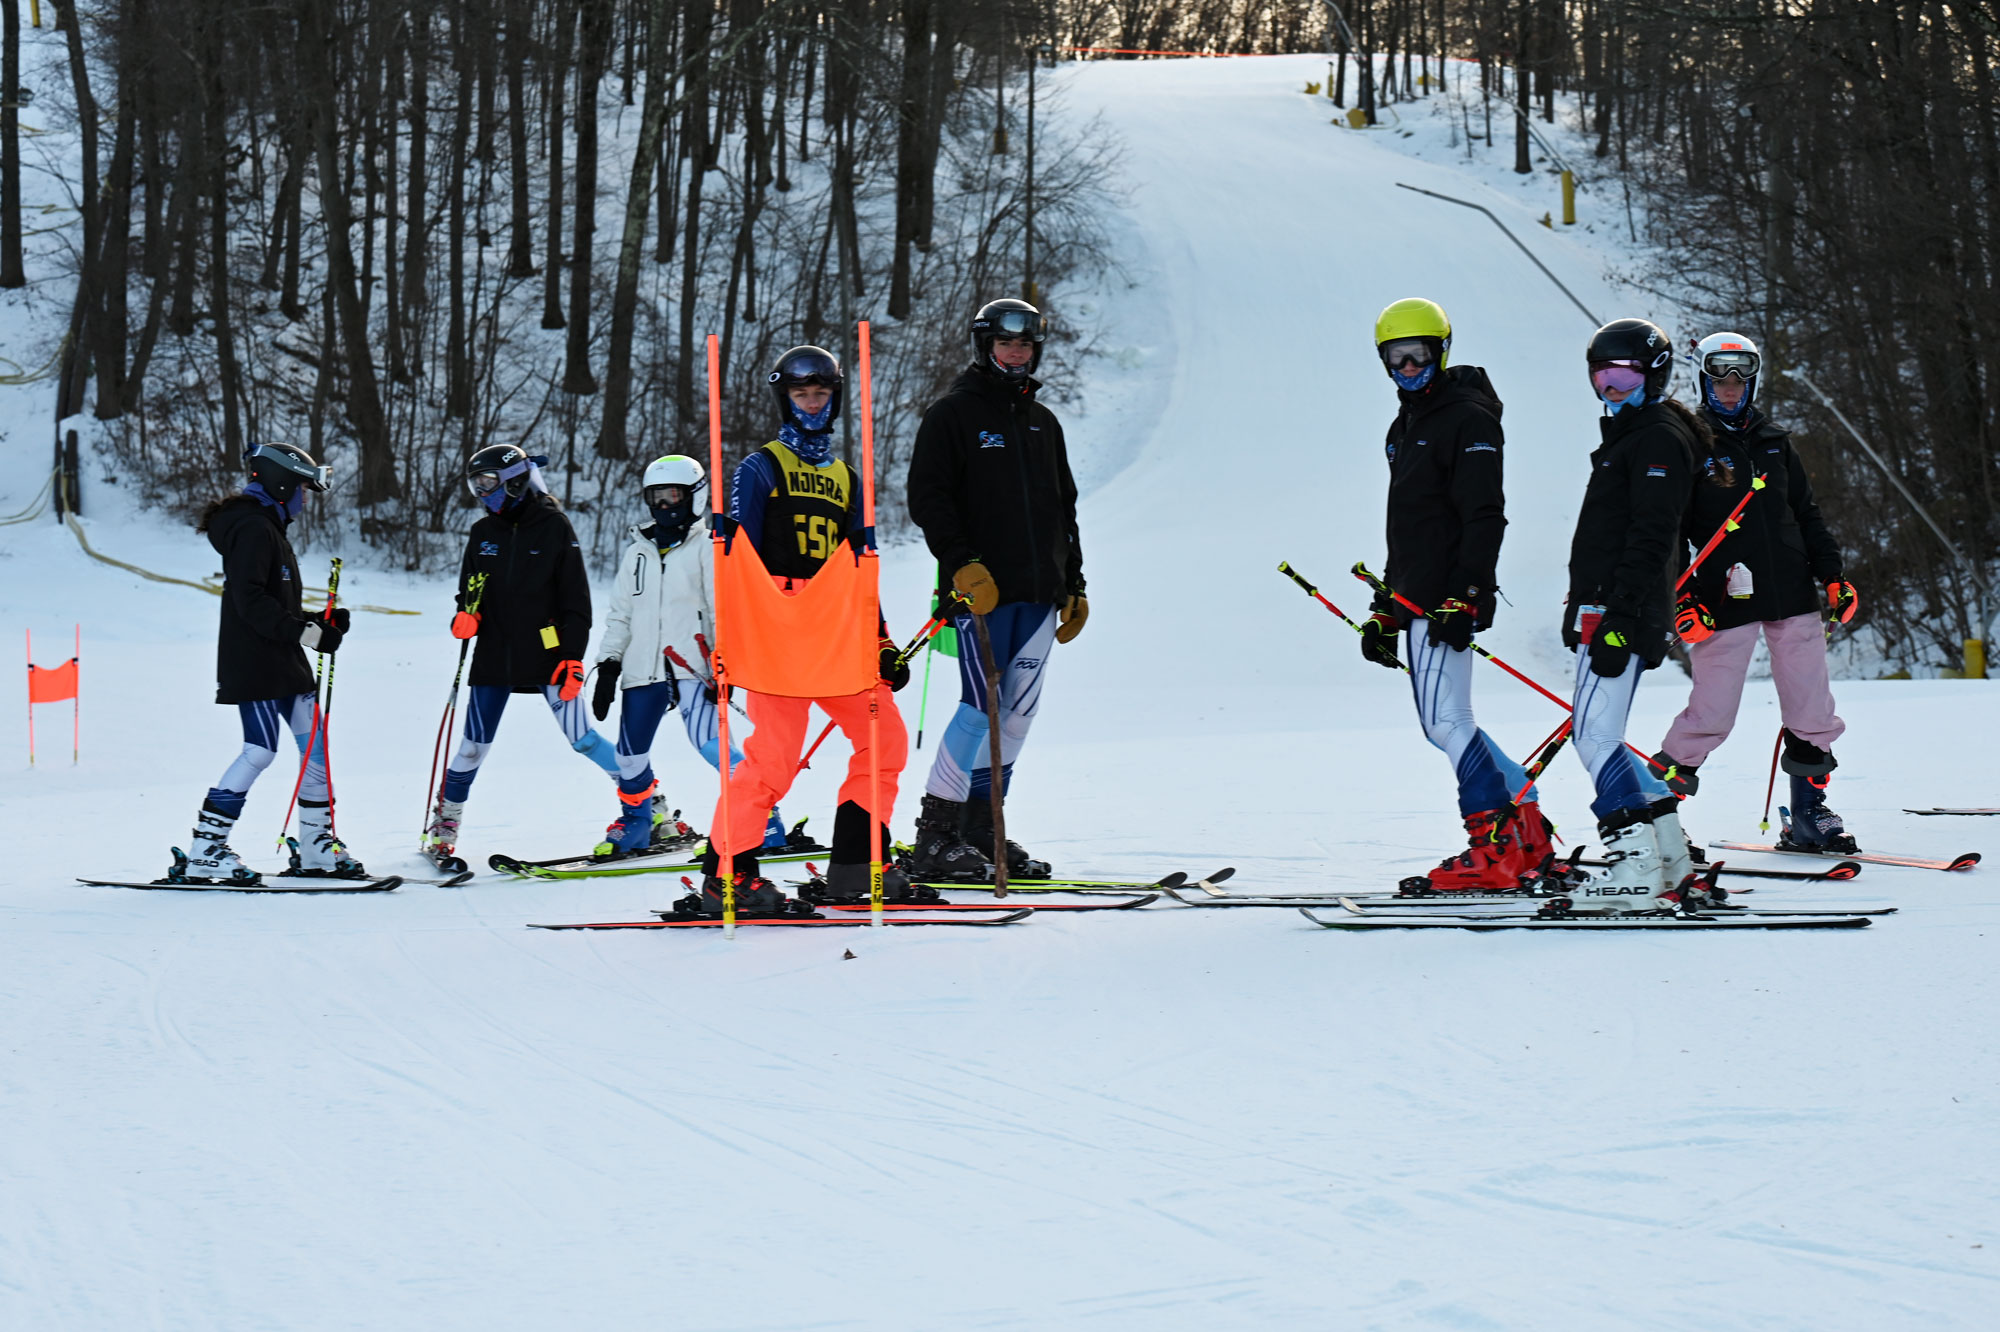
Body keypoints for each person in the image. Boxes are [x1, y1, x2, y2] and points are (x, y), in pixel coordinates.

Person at [693, 345, 912, 914]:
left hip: (836, 628)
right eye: (800, 394)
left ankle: (858, 862)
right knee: (774, 758)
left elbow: (861, 569)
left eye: (821, 393)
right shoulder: (759, 467)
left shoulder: (846, 477)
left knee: (884, 737)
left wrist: (881, 640)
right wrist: (728, 640)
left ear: (834, 399)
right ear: (784, 399)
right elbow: (736, 561)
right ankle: (728, 874)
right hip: (778, 627)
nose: (812, 403)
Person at [1359, 297, 1557, 892]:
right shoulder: (1404, 427)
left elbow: (1484, 514)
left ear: (1440, 352)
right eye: (1396, 357)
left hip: (1448, 597)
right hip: (1419, 597)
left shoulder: (1468, 418)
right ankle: (1525, 829)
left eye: (1418, 355)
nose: (1408, 368)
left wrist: (1467, 594)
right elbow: (1409, 528)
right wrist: (1385, 609)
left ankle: (1494, 847)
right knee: (1445, 722)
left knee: (1446, 721)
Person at [1652, 332, 1858, 853]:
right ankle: (1657, 820)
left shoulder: (1775, 442)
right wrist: (1682, 599)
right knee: (1711, 713)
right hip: (1723, 596)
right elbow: (1672, 531)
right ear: (1703, 381)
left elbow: (1806, 513)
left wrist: (1833, 575)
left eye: (1740, 379)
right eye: (1720, 379)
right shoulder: (1691, 445)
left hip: (1792, 591)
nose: (1730, 388)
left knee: (1812, 709)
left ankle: (1809, 814)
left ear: (1753, 381)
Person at [902, 298, 1086, 881]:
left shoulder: (1043, 423)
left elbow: (1064, 509)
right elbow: (928, 498)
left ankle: (983, 826)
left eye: (1025, 345)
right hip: (979, 592)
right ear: (986, 346)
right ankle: (935, 836)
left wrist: (1074, 582)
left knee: (1019, 714)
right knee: (979, 707)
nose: (1016, 353)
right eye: (1006, 343)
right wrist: (961, 564)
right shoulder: (953, 415)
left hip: (1038, 594)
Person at [1556, 318, 1718, 912]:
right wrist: (1585, 604)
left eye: (1623, 377)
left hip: (1626, 609)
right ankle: (1669, 856)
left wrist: (1619, 614)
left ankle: (1634, 865)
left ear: (1653, 377)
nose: (1611, 388)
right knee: (1599, 733)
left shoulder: (1657, 440)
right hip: (1609, 605)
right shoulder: (1635, 434)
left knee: (1595, 736)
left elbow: (1652, 536)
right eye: (1601, 377)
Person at [590, 453, 813, 858]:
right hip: (643, 668)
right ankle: (639, 822)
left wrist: (724, 665)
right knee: (628, 755)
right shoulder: (636, 554)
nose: (664, 505)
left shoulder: (709, 548)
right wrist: (608, 664)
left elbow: (721, 612)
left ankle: (764, 819)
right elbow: (620, 615)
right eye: (656, 497)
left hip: (693, 665)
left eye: (672, 495)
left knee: (712, 744)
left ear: (694, 497)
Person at [425, 444, 620, 863]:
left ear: (514, 481)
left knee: (583, 740)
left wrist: (572, 657)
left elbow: (576, 603)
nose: (482, 493)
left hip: (548, 652)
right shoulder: (482, 532)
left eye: (488, 482)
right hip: (494, 654)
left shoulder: (553, 526)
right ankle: (445, 824)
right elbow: (470, 589)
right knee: (472, 748)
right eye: (475, 485)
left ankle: (649, 802)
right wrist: (467, 614)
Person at [181, 442, 357, 883]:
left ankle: (316, 846)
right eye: (302, 488)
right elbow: (251, 602)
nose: (305, 499)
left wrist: (318, 621)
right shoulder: (253, 529)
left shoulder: (269, 528)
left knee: (315, 748)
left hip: (283, 660)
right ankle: (205, 848)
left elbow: (277, 606)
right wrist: (308, 634)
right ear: (281, 485)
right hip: (254, 662)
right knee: (259, 751)